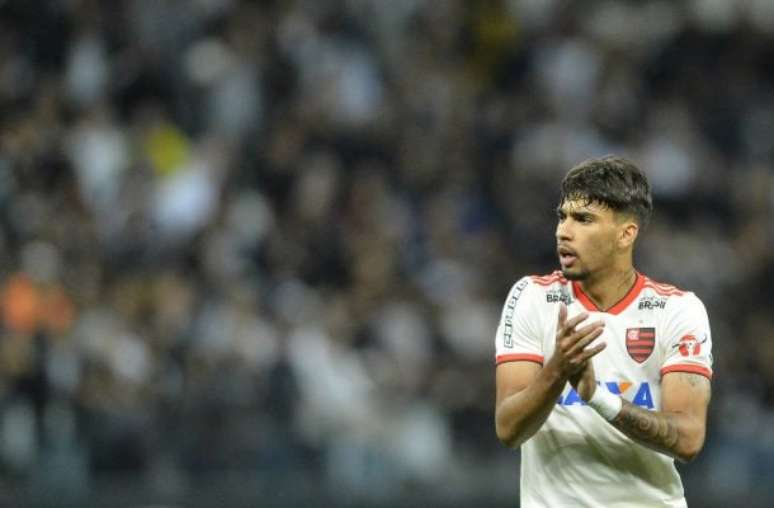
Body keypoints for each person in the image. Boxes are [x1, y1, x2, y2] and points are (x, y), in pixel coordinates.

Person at [494, 156, 712, 507]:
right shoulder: (532, 297)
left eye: (583, 219)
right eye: (562, 216)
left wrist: (596, 396)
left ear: (626, 234)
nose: (563, 231)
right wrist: (557, 370)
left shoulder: (678, 310)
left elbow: (688, 439)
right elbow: (508, 429)